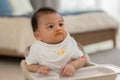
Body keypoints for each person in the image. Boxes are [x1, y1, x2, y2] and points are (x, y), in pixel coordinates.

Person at [25, 7, 87, 76]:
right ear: (38, 36)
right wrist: (38, 68)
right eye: (51, 26)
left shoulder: (69, 42)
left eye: (60, 24)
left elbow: (82, 59)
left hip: (69, 76)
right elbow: (28, 65)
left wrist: (72, 65)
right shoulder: (36, 48)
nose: (58, 28)